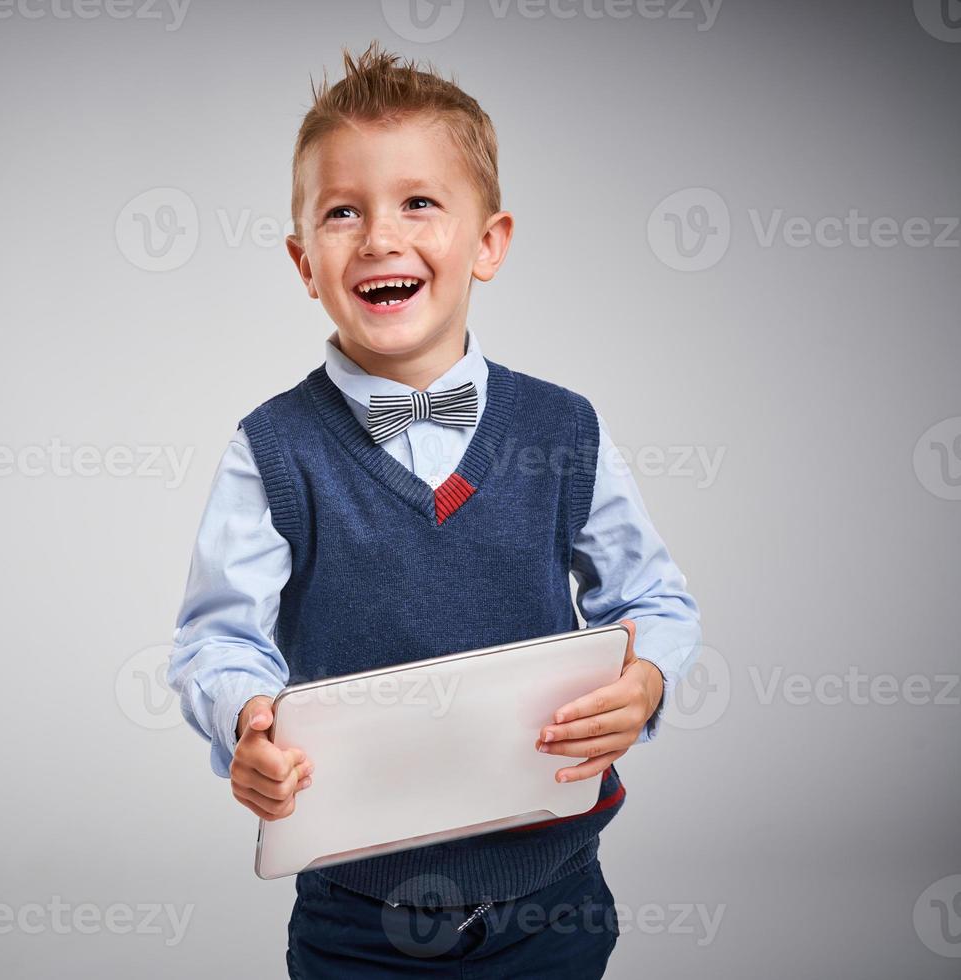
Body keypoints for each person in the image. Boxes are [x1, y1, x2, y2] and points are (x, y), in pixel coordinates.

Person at [167, 41, 702, 978]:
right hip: (357, 910)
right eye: (343, 212)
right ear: (304, 261)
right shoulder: (271, 450)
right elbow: (218, 639)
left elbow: (654, 601)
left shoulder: (563, 428)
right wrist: (245, 719)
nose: (379, 237)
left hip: (553, 893)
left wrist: (646, 684)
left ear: (487, 242)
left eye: (419, 203)